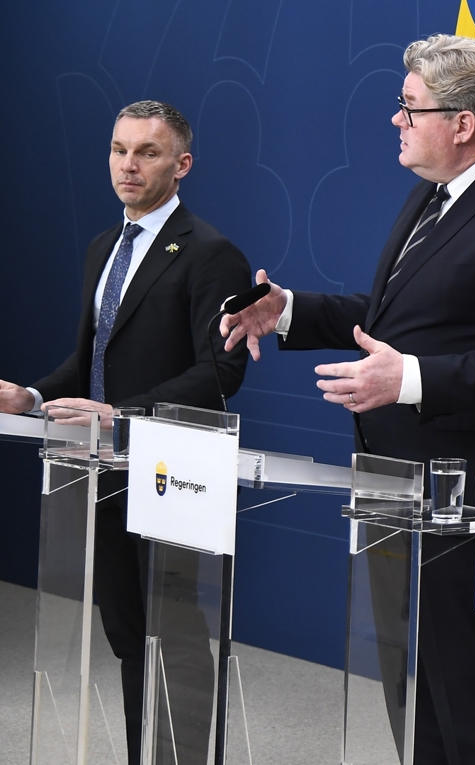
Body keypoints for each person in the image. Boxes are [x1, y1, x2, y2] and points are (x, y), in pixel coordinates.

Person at [220, 34, 475, 764]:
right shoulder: (434, 194)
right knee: (428, 700)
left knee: (465, 694)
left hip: (471, 490)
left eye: (410, 106)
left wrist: (409, 380)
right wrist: (290, 312)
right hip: (405, 485)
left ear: (462, 124)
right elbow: (395, 318)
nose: (396, 119)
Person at [0, 100, 250, 763]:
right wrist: (31, 396)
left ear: (182, 164)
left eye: (147, 152)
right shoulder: (103, 248)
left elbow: (221, 371)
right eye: (119, 149)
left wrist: (126, 413)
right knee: (128, 633)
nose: (128, 165)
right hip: (103, 472)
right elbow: (92, 360)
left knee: (174, 636)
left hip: (173, 473)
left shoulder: (212, 254)